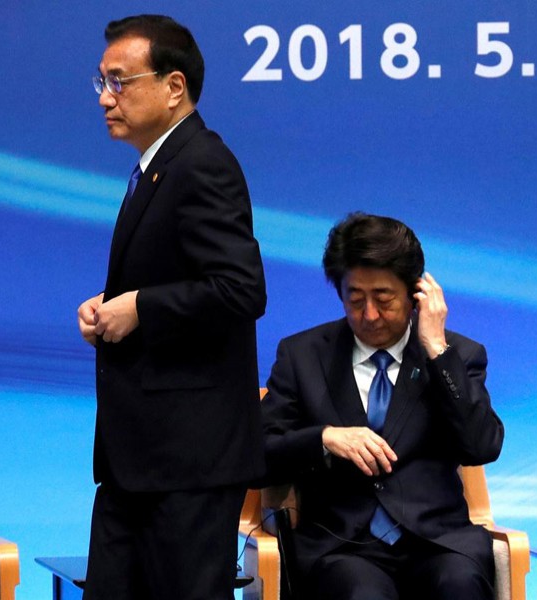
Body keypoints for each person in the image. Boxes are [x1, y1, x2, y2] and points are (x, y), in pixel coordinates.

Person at [76, 14, 267, 600]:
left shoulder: (203, 162)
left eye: (120, 81)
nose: (107, 98)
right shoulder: (158, 167)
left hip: (189, 460)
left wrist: (142, 308)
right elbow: (177, 278)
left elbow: (241, 289)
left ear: (173, 86)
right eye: (101, 82)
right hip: (139, 458)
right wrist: (112, 307)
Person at [261, 213, 503, 600]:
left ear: (415, 294)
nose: (369, 315)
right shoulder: (302, 356)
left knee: (459, 584)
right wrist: (323, 439)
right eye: (355, 300)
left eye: (384, 299)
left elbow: (482, 446)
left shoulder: (457, 355)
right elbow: (257, 456)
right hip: (342, 547)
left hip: (438, 542)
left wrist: (438, 352)